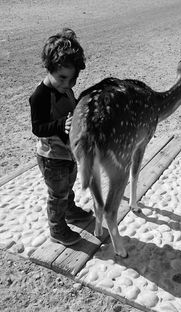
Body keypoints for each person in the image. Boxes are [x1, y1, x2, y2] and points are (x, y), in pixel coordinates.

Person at [29, 28, 92, 246]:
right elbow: (37, 127)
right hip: (50, 156)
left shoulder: (65, 89)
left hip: (67, 153)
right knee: (57, 193)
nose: (67, 84)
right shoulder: (40, 96)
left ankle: (69, 210)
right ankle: (57, 228)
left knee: (68, 184)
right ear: (49, 67)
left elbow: (70, 109)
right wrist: (59, 125)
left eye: (72, 79)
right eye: (62, 78)